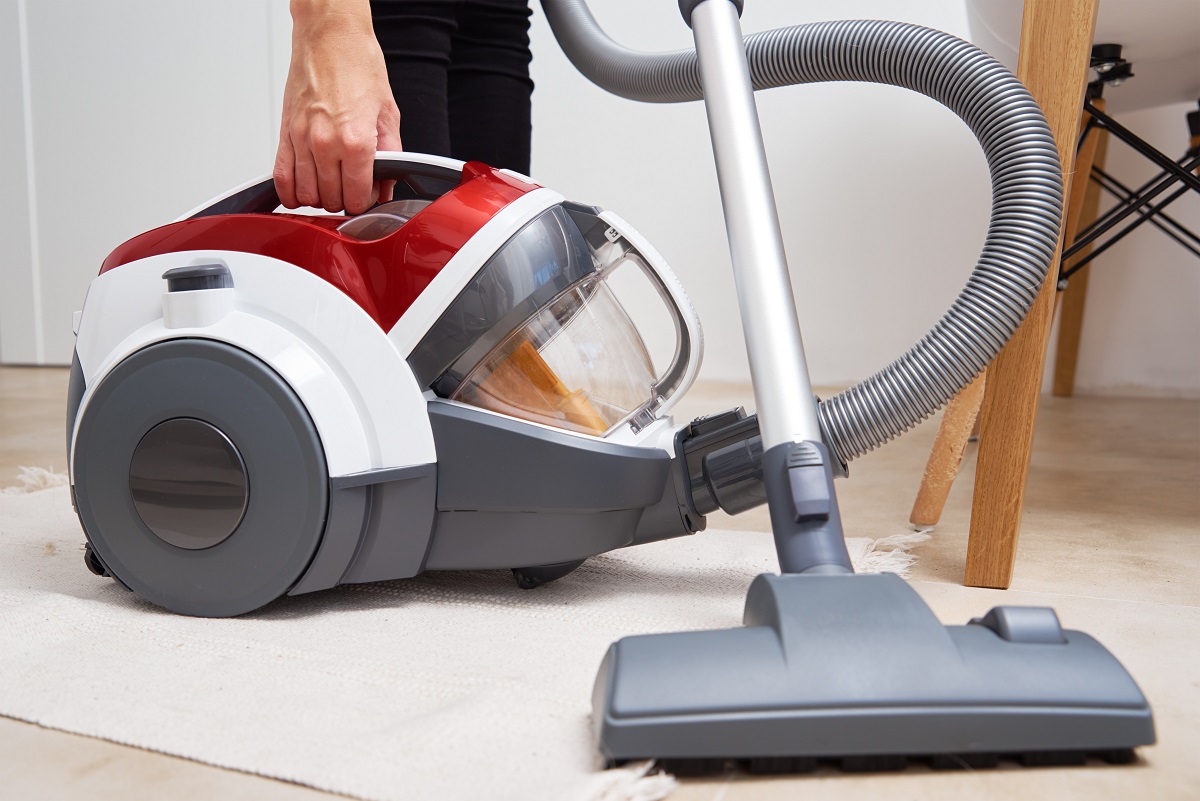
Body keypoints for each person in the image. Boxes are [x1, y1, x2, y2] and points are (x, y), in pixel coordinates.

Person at [274, 0, 533, 215]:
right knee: (413, 243)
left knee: (501, 236)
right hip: (398, 18)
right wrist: (330, 26)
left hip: (497, 27)